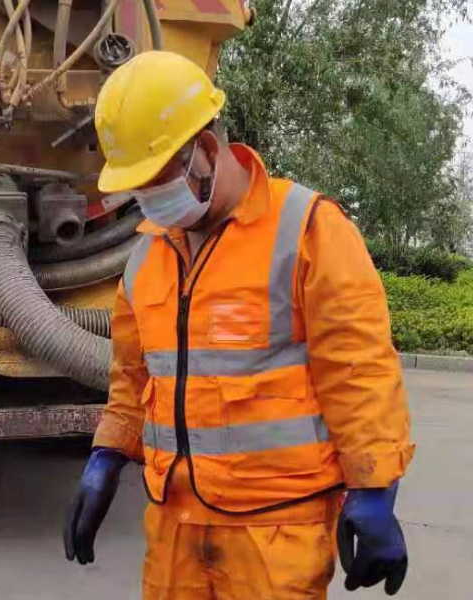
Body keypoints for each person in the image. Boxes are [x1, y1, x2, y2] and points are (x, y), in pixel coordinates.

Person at [64, 52, 415, 599]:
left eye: (158, 180)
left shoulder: (306, 230)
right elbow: (132, 380)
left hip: (275, 533)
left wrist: (374, 487)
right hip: (174, 527)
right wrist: (106, 454)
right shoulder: (146, 257)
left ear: (206, 149)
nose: (151, 200)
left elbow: (358, 370)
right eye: (140, 188)